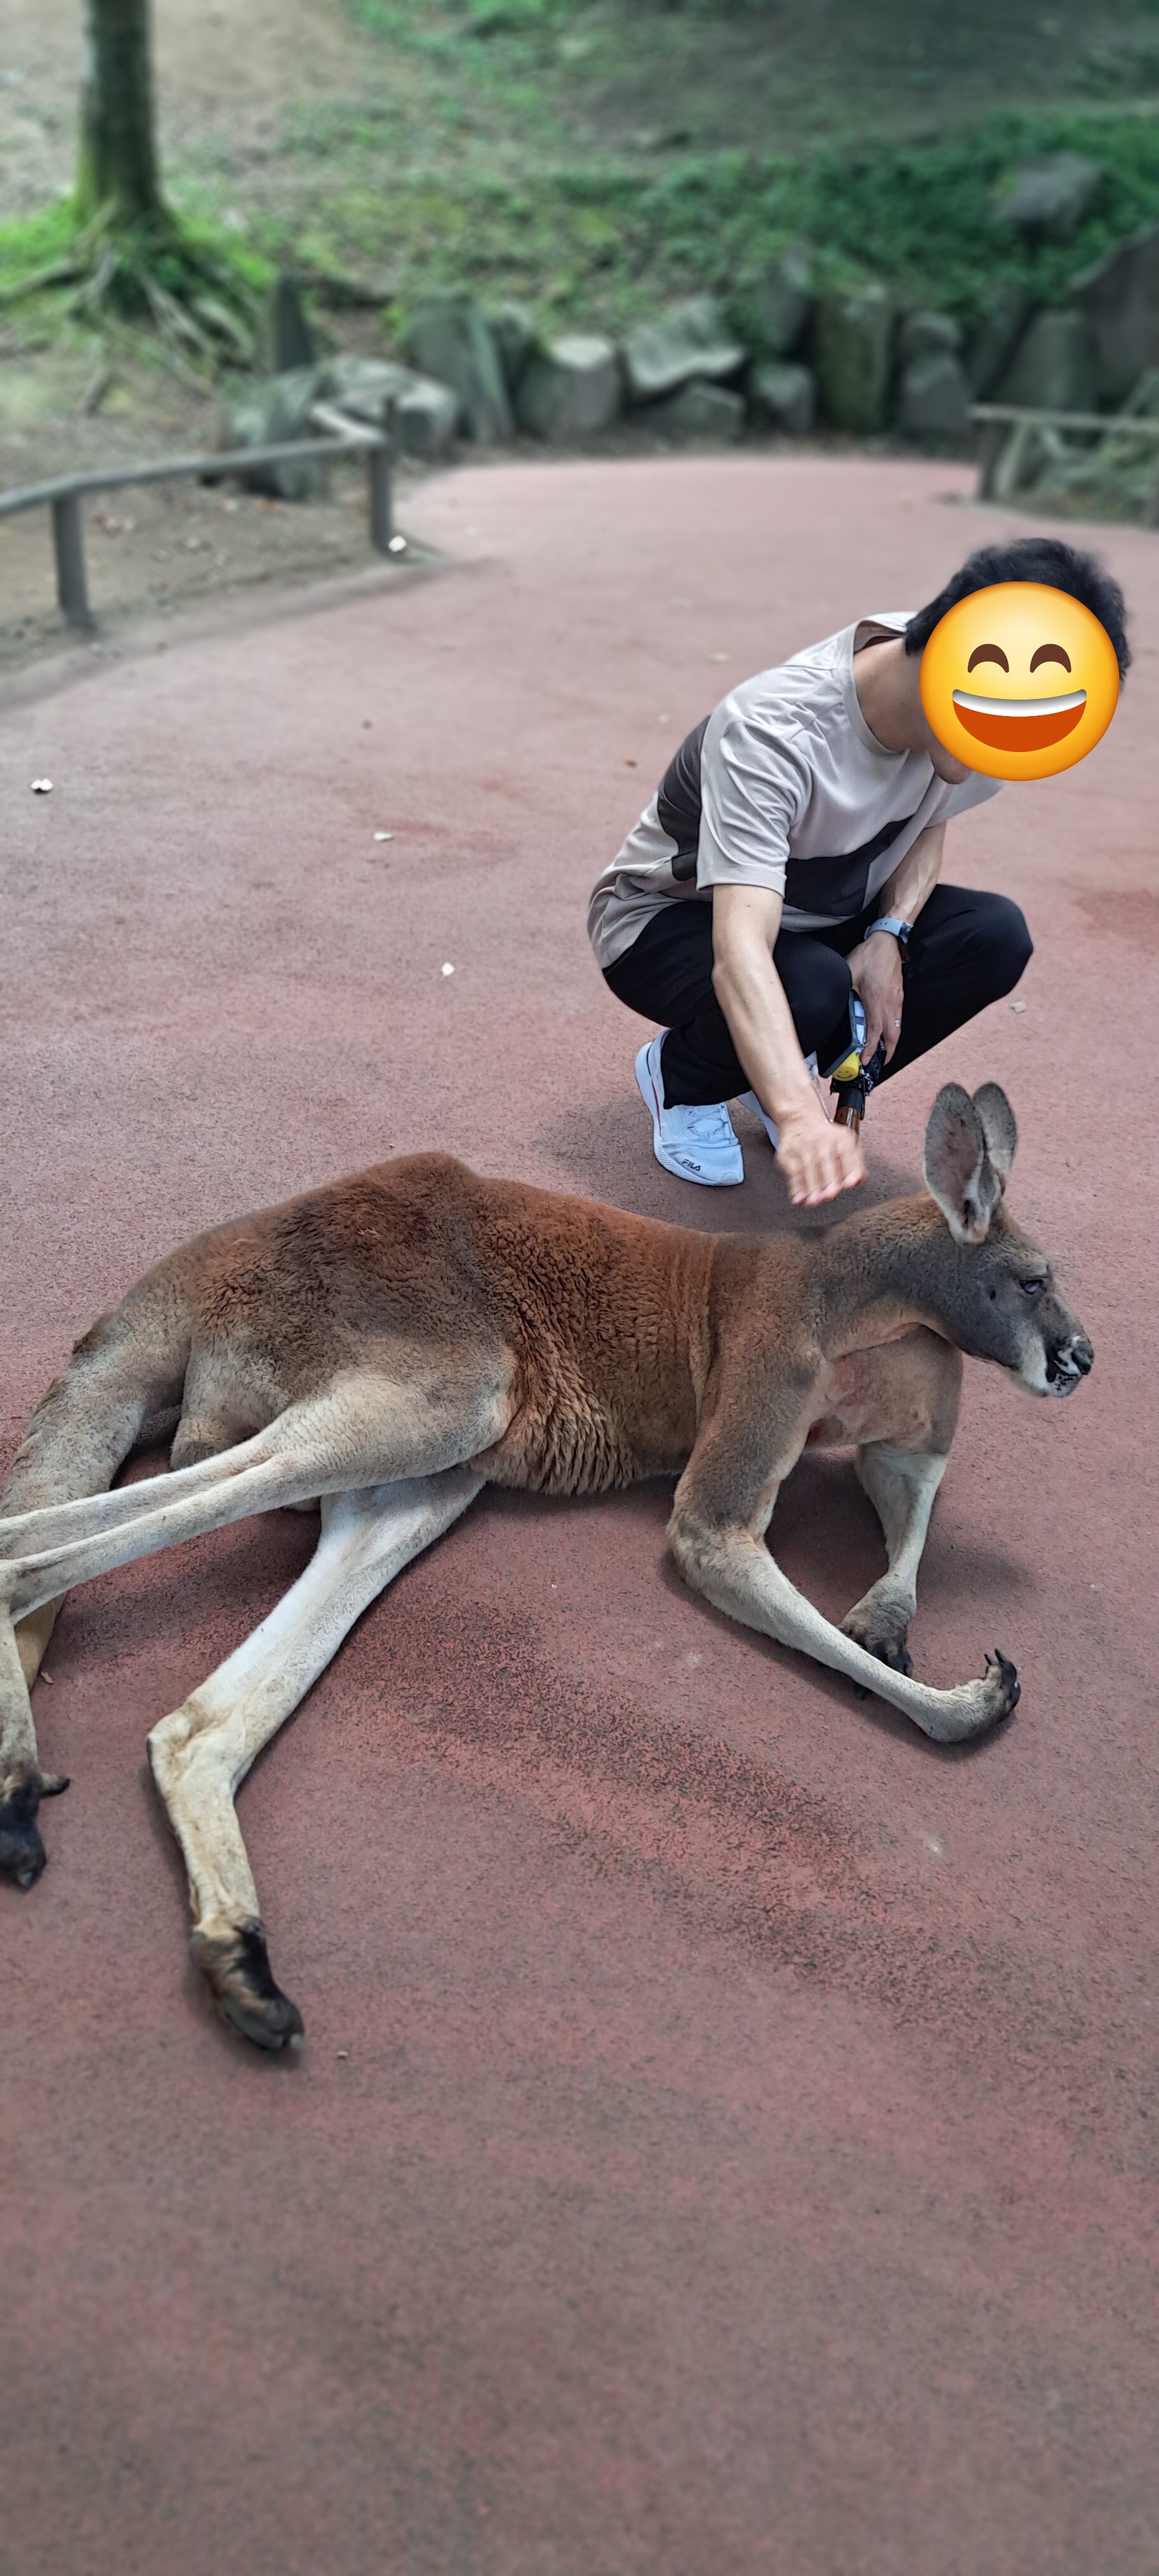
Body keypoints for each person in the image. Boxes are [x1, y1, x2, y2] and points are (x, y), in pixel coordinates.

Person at [589, 536, 1129, 1207]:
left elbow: (929, 815)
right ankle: (683, 1077)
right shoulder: (775, 733)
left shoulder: (990, 711)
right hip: (668, 918)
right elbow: (740, 952)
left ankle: (774, 1054)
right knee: (811, 986)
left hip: (818, 916)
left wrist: (889, 935)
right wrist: (798, 1117)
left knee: (992, 936)